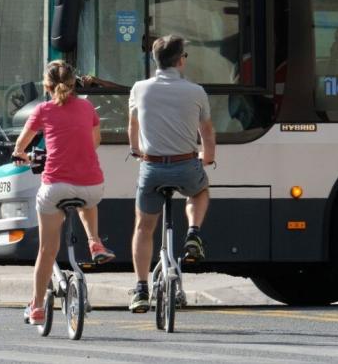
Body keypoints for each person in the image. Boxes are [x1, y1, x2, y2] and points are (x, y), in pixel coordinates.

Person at [13, 60, 115, 326]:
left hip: (55, 187)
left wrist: (20, 155)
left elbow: (21, 143)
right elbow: (94, 143)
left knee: (47, 249)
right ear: (74, 83)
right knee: (87, 197)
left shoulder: (43, 110)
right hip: (93, 185)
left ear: (46, 86)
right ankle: (94, 242)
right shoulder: (87, 107)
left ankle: (36, 307)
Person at [127, 34, 216, 313]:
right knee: (200, 191)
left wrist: (137, 150)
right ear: (180, 61)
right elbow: (207, 132)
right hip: (186, 165)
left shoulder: (140, 89)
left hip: (152, 167)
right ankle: (193, 232)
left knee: (143, 227)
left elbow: (132, 128)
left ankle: (140, 289)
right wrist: (208, 157)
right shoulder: (196, 91)